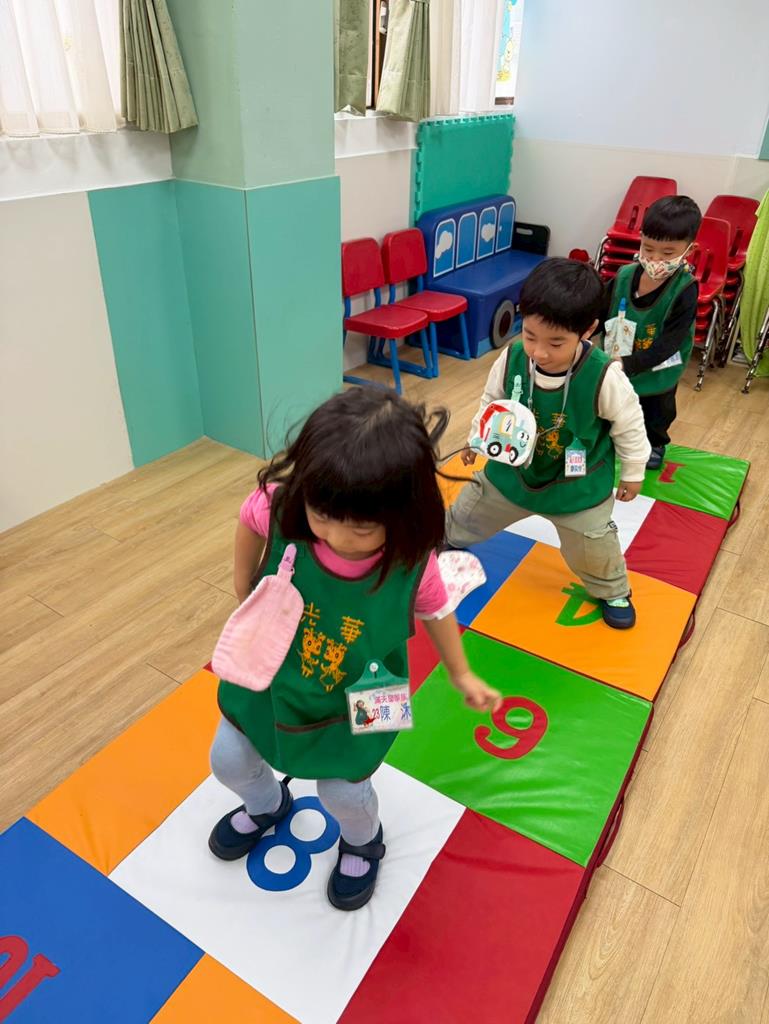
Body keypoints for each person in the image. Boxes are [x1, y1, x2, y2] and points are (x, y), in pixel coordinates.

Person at [209, 388, 501, 912]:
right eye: (322, 515)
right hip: (276, 667)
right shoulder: (286, 505)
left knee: (344, 792)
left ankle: (364, 840)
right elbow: (249, 516)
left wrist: (460, 673)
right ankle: (267, 804)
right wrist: (242, 581)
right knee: (228, 757)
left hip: (366, 685)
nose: (337, 536)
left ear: (403, 514)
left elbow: (436, 610)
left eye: (361, 528)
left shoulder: (411, 561)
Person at [446, 257, 650, 630]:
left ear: (587, 330)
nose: (539, 352)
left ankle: (612, 589)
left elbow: (630, 424)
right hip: (513, 472)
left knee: (593, 545)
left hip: (576, 485)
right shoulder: (512, 358)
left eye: (556, 342)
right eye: (530, 336)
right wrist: (478, 438)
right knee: (470, 510)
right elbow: (492, 401)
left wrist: (633, 472)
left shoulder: (604, 375)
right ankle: (449, 537)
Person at [606, 196, 701, 469]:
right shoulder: (625, 276)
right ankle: (615, 436)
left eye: (668, 253)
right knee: (615, 401)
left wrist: (630, 363)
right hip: (619, 356)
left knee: (656, 408)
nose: (656, 259)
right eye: (648, 249)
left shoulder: (684, 289)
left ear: (689, 250)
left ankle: (654, 443)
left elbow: (671, 342)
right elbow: (599, 311)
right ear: (640, 239)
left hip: (660, 364)